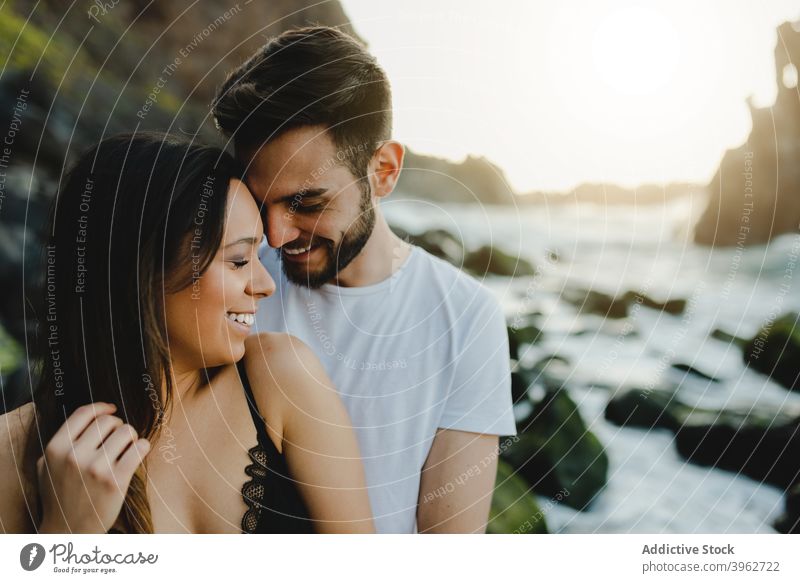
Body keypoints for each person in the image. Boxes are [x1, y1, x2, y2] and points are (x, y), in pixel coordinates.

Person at [212, 26, 516, 533]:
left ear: (383, 170)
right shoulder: (231, 284)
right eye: (261, 203)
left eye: (306, 202)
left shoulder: (466, 319)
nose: (276, 234)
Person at [0, 133, 373, 534]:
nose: (264, 284)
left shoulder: (281, 377)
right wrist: (68, 534)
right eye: (237, 260)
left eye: (258, 255)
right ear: (139, 274)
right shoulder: (12, 452)